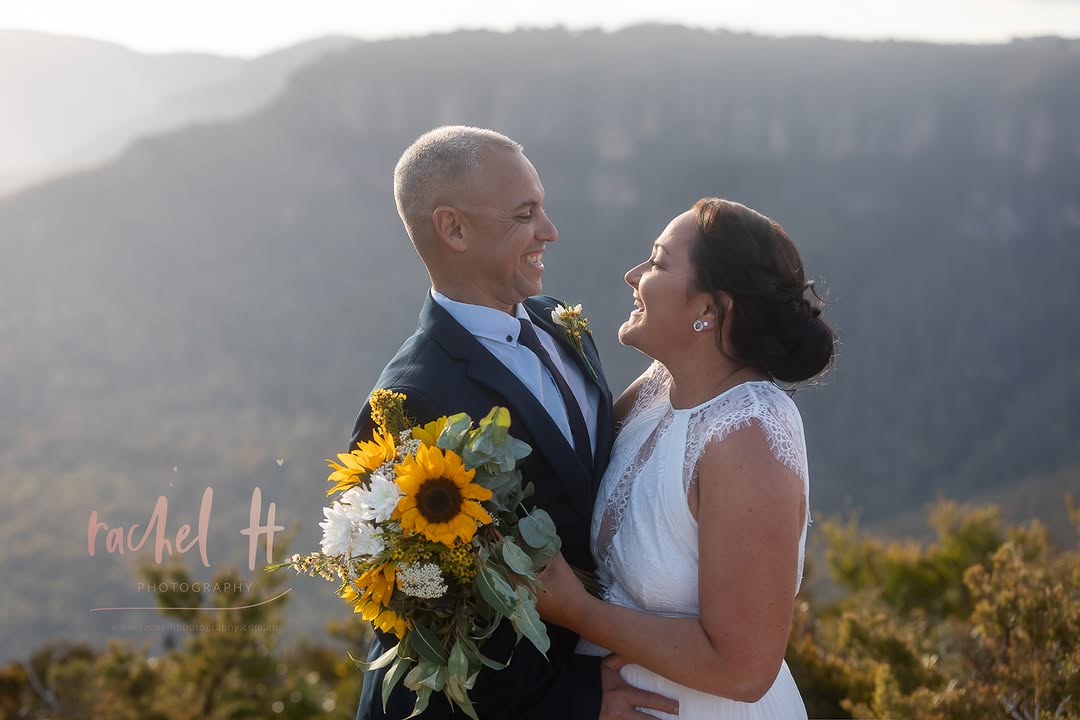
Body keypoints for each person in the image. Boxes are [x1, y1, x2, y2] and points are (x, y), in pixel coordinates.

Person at [351, 126, 677, 720]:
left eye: (543, 209)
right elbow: (425, 622)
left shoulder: (558, 321)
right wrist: (578, 700)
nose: (549, 231)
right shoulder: (412, 400)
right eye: (524, 215)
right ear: (453, 228)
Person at [536, 197, 836, 719]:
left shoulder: (749, 434)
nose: (633, 275)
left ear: (709, 309)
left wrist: (576, 610)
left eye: (656, 263)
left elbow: (744, 669)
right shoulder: (657, 389)